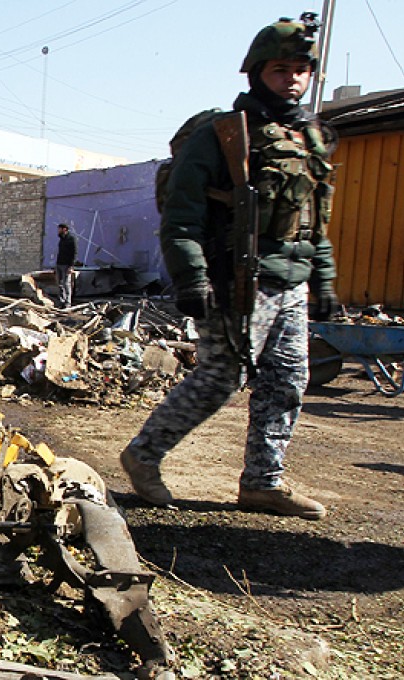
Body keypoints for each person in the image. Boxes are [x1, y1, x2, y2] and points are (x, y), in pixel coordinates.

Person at [119, 15, 337, 521]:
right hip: (238, 278)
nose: (292, 79)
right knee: (222, 377)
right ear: (256, 72)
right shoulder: (223, 135)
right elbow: (182, 215)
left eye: (301, 69)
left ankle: (263, 481)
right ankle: (143, 455)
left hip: (290, 282)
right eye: (281, 69)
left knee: (287, 380)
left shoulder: (308, 138)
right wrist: (191, 277)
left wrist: (322, 278)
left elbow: (313, 219)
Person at [55, 223, 77, 308]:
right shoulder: (61, 239)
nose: (58, 231)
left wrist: (71, 266)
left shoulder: (71, 239)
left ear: (64, 229)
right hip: (59, 264)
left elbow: (74, 253)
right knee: (59, 284)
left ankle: (68, 302)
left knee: (66, 283)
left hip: (66, 265)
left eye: (60, 229)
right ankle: (61, 301)